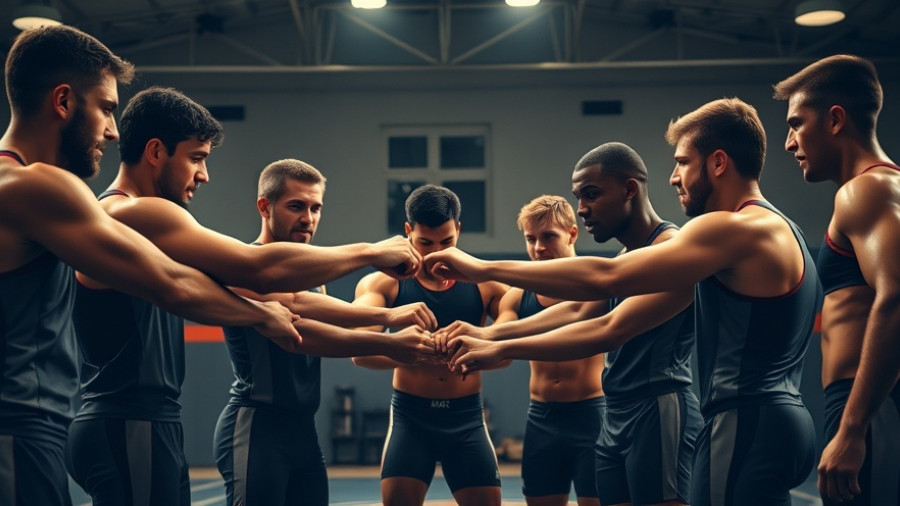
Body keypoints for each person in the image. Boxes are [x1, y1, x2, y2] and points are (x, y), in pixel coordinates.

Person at [426, 99, 822, 506]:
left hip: (735, 417)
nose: (673, 178)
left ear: (718, 163)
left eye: (683, 162)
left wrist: (481, 270)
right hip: (758, 416)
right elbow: (587, 305)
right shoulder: (772, 226)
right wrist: (490, 336)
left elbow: (606, 297)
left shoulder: (729, 229)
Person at [65, 87, 431, 505]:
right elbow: (257, 271)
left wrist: (261, 314)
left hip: (140, 420)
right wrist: (370, 252)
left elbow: (210, 292)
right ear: (155, 151)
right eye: (196, 158)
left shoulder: (133, 222)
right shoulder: (135, 212)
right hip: (130, 420)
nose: (203, 175)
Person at [0, 26, 299, 506]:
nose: (114, 131)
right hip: (18, 432)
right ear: (63, 101)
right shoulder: (36, 187)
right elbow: (171, 282)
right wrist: (262, 314)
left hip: (39, 431)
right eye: (106, 108)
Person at [441, 143, 700, 506]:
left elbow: (608, 328)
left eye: (591, 195)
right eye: (579, 197)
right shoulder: (627, 256)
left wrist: (499, 340)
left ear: (630, 190)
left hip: (655, 406)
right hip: (615, 411)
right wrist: (487, 332)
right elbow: (579, 312)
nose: (582, 210)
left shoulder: (672, 248)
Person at [213, 159, 441, 506]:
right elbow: (301, 328)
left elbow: (320, 311)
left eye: (315, 207)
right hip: (258, 426)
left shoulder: (311, 274)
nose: (308, 218)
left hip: (303, 430)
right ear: (265, 206)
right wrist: (388, 335)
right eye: (296, 206)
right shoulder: (245, 267)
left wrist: (389, 316)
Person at [774, 54, 900, 505]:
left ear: (835, 119)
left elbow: (897, 298)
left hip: (870, 408)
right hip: (871, 406)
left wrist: (852, 429)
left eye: (795, 124)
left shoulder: (863, 191)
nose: (789, 143)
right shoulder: (881, 190)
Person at [352, 184, 509, 506]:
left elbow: (508, 352)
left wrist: (476, 349)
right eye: (425, 243)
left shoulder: (488, 284)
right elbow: (360, 352)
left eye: (446, 242)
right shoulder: (382, 283)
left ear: (459, 231)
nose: (435, 253)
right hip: (412, 419)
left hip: (466, 419)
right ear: (408, 231)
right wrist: (406, 350)